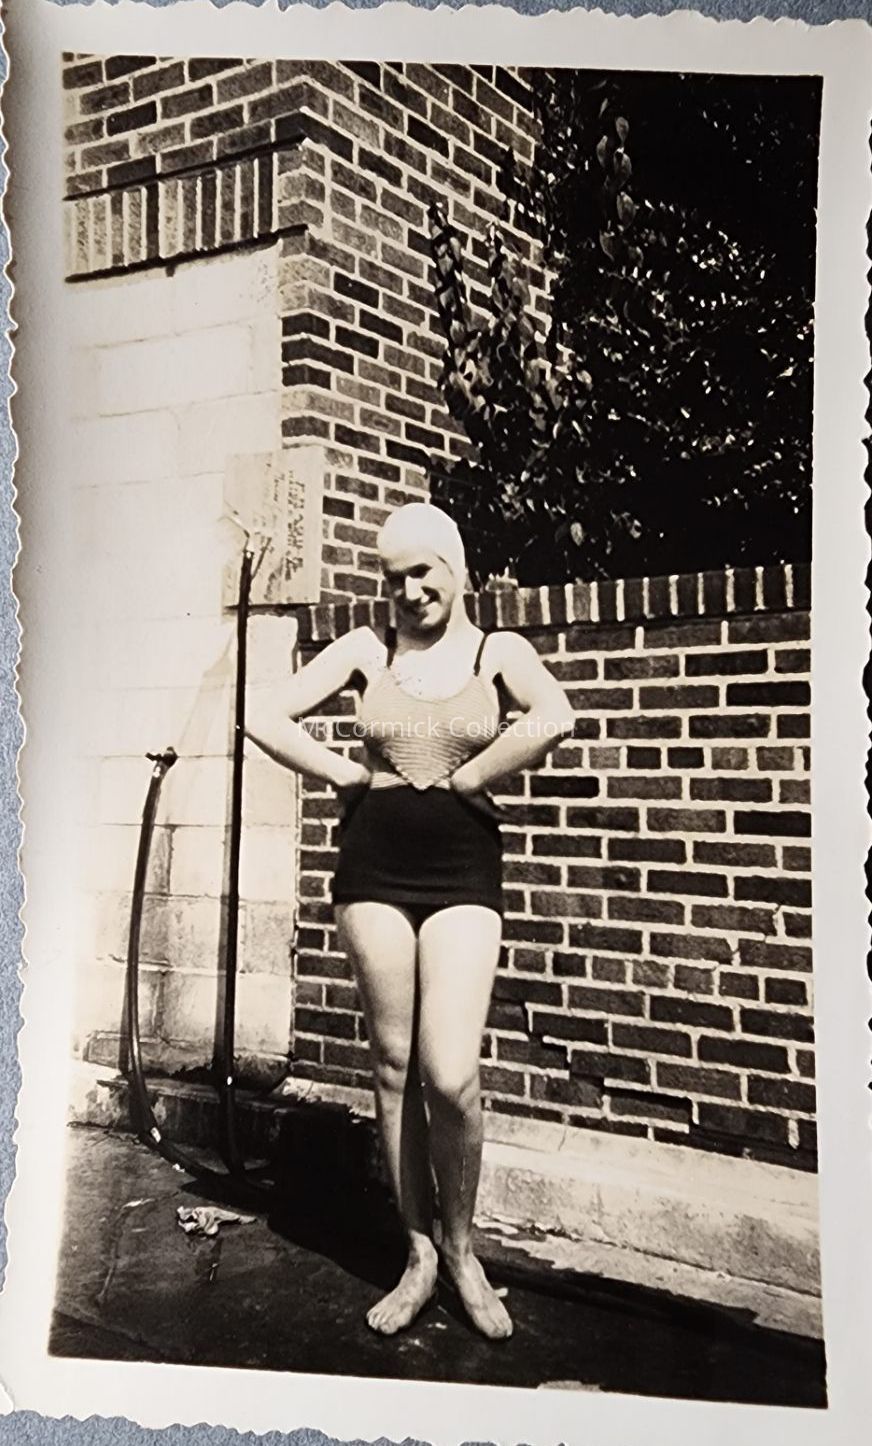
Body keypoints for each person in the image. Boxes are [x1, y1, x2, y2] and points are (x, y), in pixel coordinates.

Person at [247, 502, 575, 1340]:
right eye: (392, 577)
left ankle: (463, 1251)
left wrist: (473, 778)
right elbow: (262, 716)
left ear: (455, 569)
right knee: (393, 1065)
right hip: (373, 873)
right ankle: (420, 1252)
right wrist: (343, 775)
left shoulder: (497, 653)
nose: (408, 590)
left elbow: (555, 715)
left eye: (422, 572)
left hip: (464, 871)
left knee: (449, 1073)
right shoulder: (368, 650)